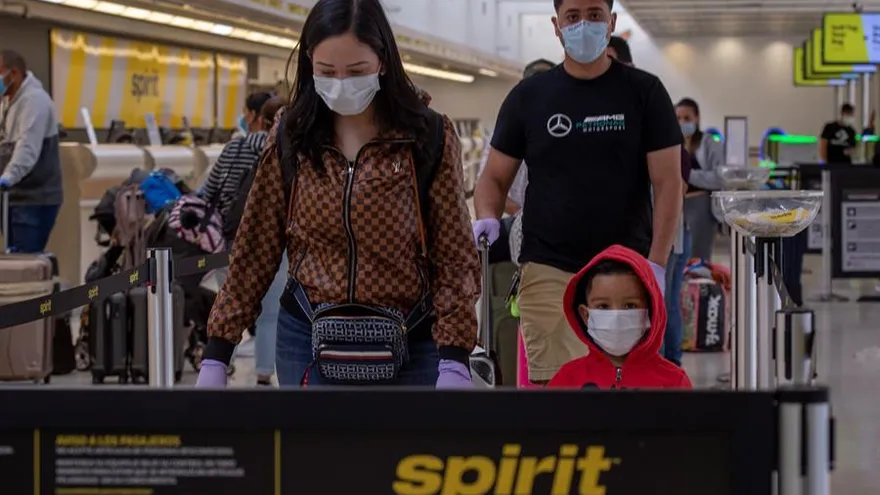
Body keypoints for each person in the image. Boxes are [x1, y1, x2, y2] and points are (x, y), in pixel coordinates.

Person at [196, 0, 479, 388]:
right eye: (327, 72)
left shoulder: (426, 137)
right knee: (314, 450)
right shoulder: (291, 136)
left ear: (383, 61)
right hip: (308, 337)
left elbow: (454, 252)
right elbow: (255, 245)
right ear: (310, 61)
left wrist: (455, 356)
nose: (341, 83)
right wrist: (218, 351)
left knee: (404, 449)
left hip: (413, 339)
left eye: (357, 71)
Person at [473, 0, 683, 385]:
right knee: (553, 393)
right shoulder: (529, 97)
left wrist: (656, 262)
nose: (582, 24)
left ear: (611, 22)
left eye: (594, 15)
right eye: (572, 16)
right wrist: (487, 214)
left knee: (623, 384)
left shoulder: (644, 93)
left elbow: (669, 183)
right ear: (556, 25)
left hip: (625, 271)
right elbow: (494, 178)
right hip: (549, 269)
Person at [205, 95, 286, 387]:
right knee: (270, 314)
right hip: (276, 244)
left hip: (230, 240)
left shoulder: (236, 147)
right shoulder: (287, 147)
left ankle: (220, 365)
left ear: (256, 117)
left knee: (229, 303)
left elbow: (209, 189)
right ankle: (264, 373)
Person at [547, 245, 692, 388]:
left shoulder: (674, 382)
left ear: (650, 310)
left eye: (630, 305)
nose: (616, 316)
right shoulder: (567, 380)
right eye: (603, 306)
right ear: (585, 315)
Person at [476, 58, 555, 265]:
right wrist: (520, 213)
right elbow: (492, 181)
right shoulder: (506, 131)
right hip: (520, 221)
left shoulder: (562, 127)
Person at [0, 50, 62, 253]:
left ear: (14, 74)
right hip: (15, 197)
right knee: (15, 256)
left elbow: (27, 147)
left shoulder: (35, 101)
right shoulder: (8, 102)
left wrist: (8, 176)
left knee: (24, 259)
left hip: (34, 198)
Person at [200, 91, 273, 216]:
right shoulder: (279, 153)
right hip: (264, 226)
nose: (243, 117)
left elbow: (209, 191)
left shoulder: (234, 147)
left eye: (245, 112)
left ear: (253, 115)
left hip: (228, 224)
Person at [677, 97, 723, 262]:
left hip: (700, 206)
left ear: (697, 118)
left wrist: (687, 174)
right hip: (676, 206)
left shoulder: (709, 143)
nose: (682, 122)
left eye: (687, 118)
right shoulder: (673, 144)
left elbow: (719, 177)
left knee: (698, 258)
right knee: (677, 259)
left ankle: (701, 288)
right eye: (678, 118)